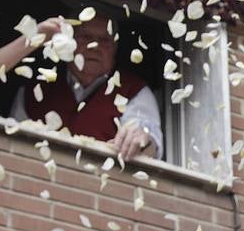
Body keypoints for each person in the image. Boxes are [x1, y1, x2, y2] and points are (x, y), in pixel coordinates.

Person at [9, 14, 163, 160]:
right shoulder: (35, 88)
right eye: (85, 37)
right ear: (68, 42)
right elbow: (12, 144)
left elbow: (151, 147)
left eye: (104, 40)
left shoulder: (134, 90)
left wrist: (143, 138)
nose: (94, 46)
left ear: (115, 48)